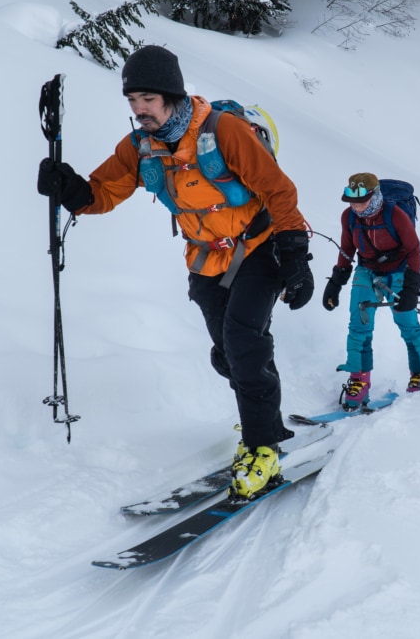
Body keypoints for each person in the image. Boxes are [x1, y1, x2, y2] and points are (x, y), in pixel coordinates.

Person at [36, 45, 314, 500]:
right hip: (205, 258)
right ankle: (257, 404)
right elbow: (102, 194)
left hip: (260, 249)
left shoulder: (224, 132)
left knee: (244, 342)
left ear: (170, 95)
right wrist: (68, 187)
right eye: (131, 101)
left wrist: (296, 257)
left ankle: (263, 446)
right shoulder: (139, 147)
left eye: (147, 98)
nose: (138, 109)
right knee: (229, 353)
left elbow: (279, 191)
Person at [320, 172, 420, 409]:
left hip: (400, 271)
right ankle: (359, 380)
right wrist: (335, 283)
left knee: (407, 323)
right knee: (359, 325)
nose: (356, 206)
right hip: (367, 270)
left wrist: (412, 289)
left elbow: (414, 250)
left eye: (361, 201)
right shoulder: (349, 217)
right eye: (352, 201)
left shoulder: (395, 215)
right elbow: (347, 249)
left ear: (373, 197)